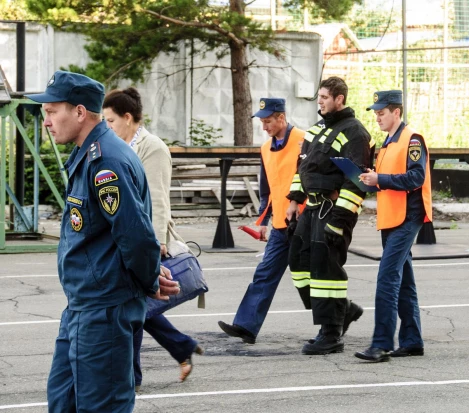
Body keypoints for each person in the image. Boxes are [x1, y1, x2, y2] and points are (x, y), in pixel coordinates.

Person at [26, 71, 179, 412]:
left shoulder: (105, 161)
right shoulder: (89, 154)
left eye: (52, 111)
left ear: (80, 113)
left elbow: (135, 233)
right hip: (83, 304)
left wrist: (148, 277)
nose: (46, 121)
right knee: (63, 401)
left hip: (103, 308)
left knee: (102, 406)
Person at [102, 88, 203, 389]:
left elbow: (158, 199)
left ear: (128, 118)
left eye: (110, 120)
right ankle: (180, 347)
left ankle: (131, 377)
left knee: (132, 305)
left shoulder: (152, 147)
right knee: (135, 305)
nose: (107, 127)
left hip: (147, 240)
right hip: (125, 239)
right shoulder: (118, 146)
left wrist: (157, 242)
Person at [286, 76, 375, 355]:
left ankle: (331, 334)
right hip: (311, 208)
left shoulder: (355, 132)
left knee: (326, 270)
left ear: (340, 99)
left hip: (333, 211)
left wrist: (338, 221)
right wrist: (293, 201)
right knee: (299, 264)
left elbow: (357, 182)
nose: (320, 102)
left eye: (325, 97)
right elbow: (303, 168)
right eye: (319, 97)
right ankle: (342, 310)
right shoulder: (317, 130)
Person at [218, 98, 305, 344]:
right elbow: (267, 187)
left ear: (281, 117)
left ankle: (342, 313)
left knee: (311, 277)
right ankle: (246, 326)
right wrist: (264, 220)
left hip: (303, 222)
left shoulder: (303, 140)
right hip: (280, 224)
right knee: (265, 273)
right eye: (262, 122)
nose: (264, 126)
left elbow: (311, 179)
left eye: (268, 121)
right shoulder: (266, 148)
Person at [355, 90, 432, 362]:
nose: (377, 117)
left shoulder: (412, 140)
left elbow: (416, 177)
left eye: (382, 113)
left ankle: (382, 344)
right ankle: (412, 341)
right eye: (375, 113)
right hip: (391, 218)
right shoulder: (387, 143)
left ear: (396, 112)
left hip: (406, 217)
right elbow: (384, 179)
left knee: (387, 278)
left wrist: (380, 179)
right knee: (404, 282)